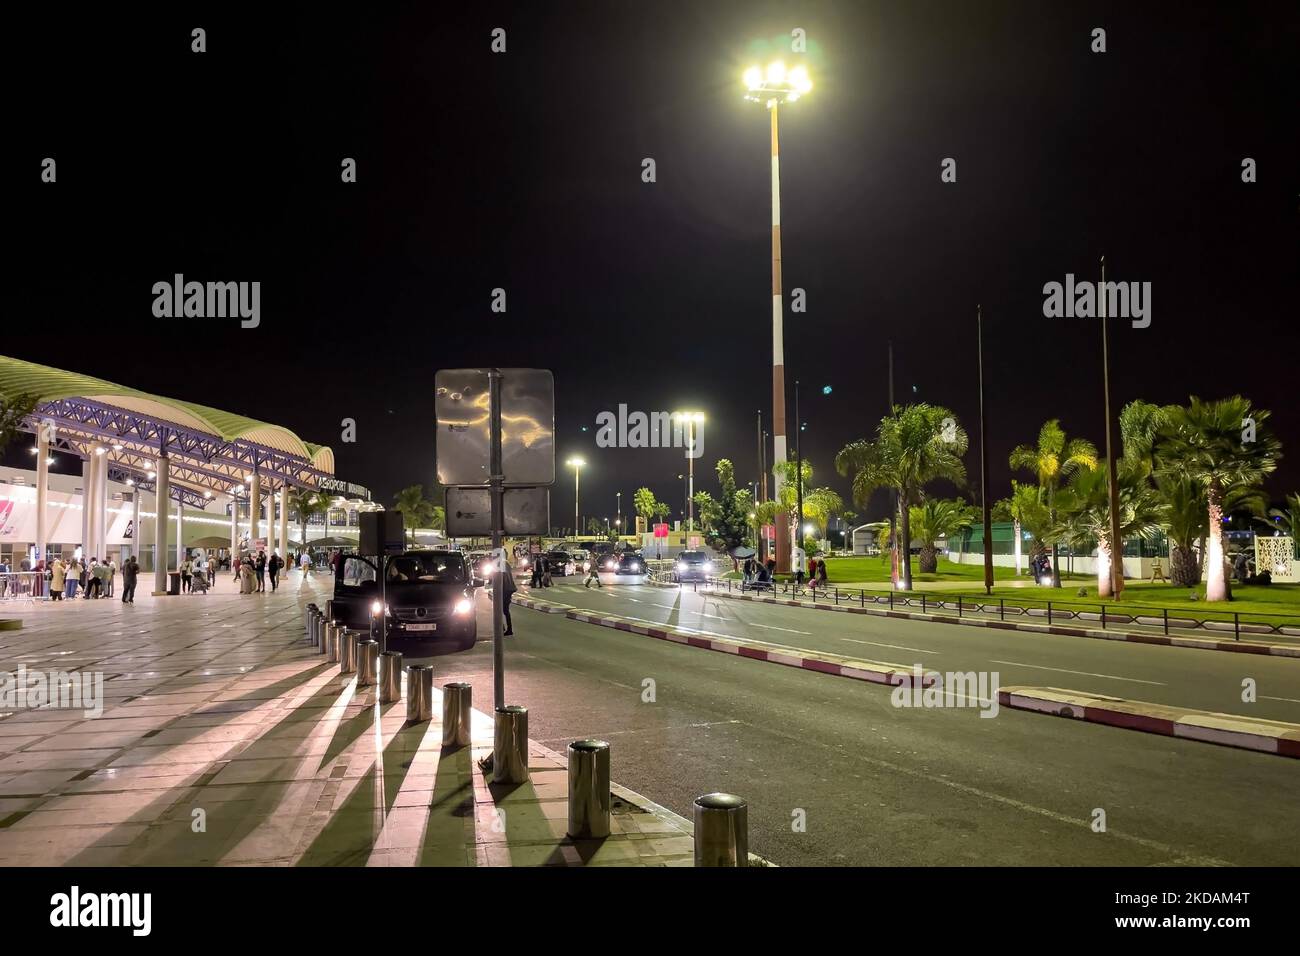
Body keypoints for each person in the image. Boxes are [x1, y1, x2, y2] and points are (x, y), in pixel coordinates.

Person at [498, 550, 517, 636]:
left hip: (504, 589)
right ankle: (507, 628)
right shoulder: (507, 563)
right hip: (509, 588)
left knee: (500, 610)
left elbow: (501, 578)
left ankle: (504, 628)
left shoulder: (500, 564)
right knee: (505, 610)